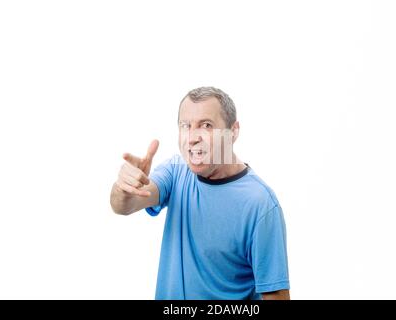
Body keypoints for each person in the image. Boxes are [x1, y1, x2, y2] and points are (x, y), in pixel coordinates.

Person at [110, 87, 290, 300]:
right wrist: (124, 188)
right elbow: (123, 205)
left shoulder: (261, 204)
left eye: (206, 125)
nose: (193, 137)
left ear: (233, 132)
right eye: (185, 126)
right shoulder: (176, 172)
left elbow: (276, 295)